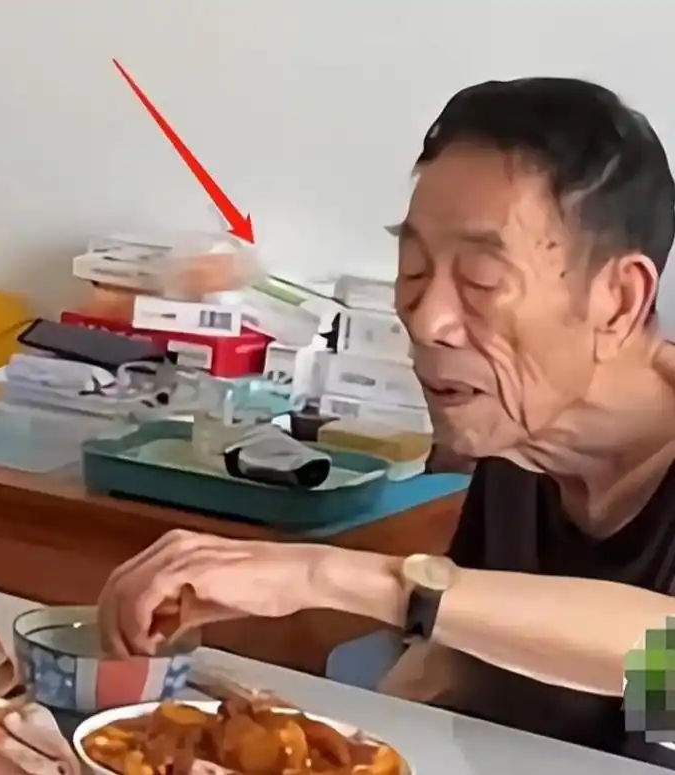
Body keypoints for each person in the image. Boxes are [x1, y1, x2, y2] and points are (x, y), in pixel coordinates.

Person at [98, 78, 675, 757]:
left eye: (482, 281)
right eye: (415, 268)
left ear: (618, 300)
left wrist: (326, 576)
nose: (428, 320)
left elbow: (662, 669)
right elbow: (471, 661)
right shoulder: (519, 441)